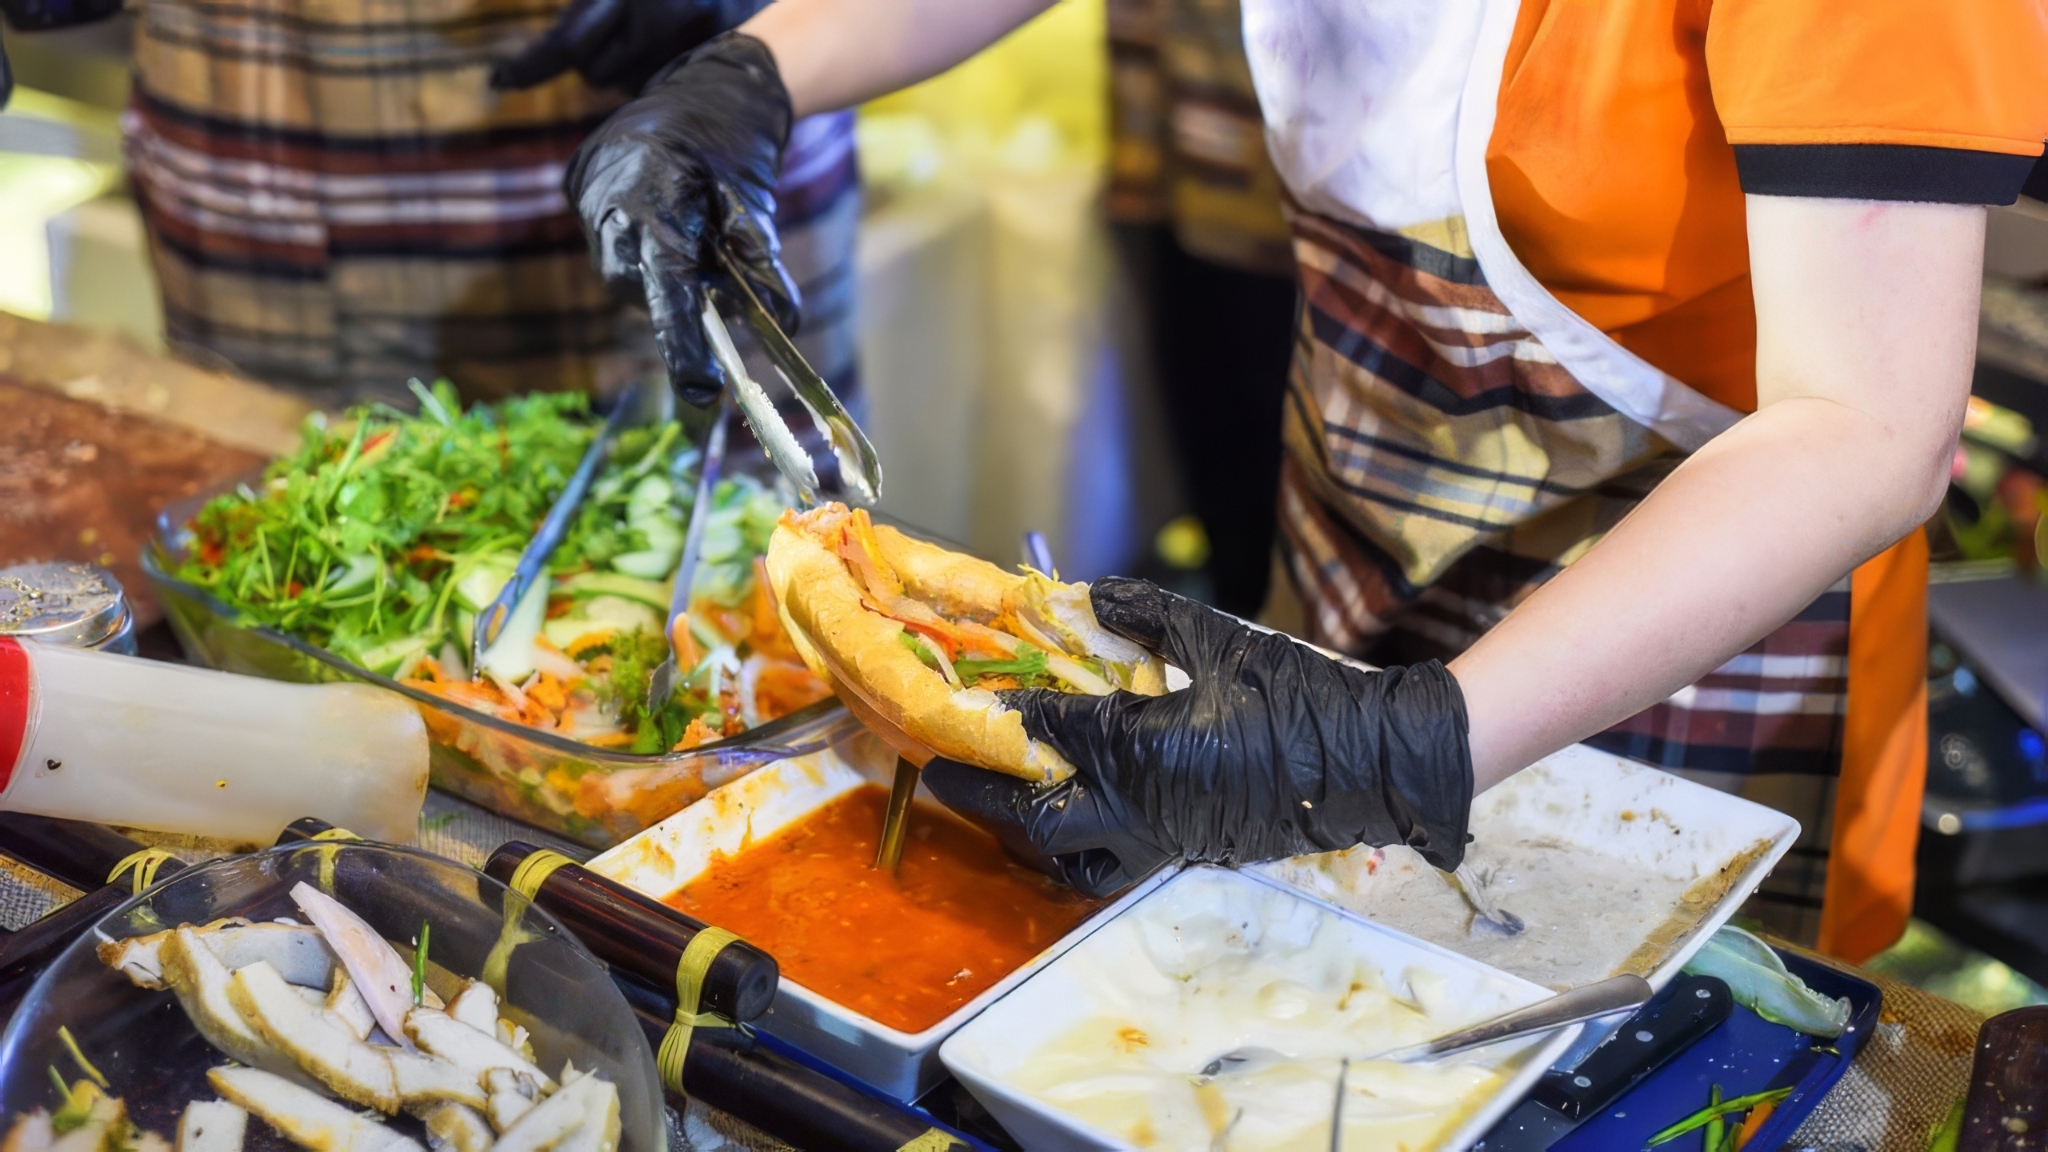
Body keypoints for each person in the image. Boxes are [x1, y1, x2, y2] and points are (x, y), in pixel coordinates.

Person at [564, 0, 2048, 961]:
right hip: (1344, 556)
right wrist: (760, 75)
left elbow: (1869, 425)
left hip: (1686, 655)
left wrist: (1408, 745)